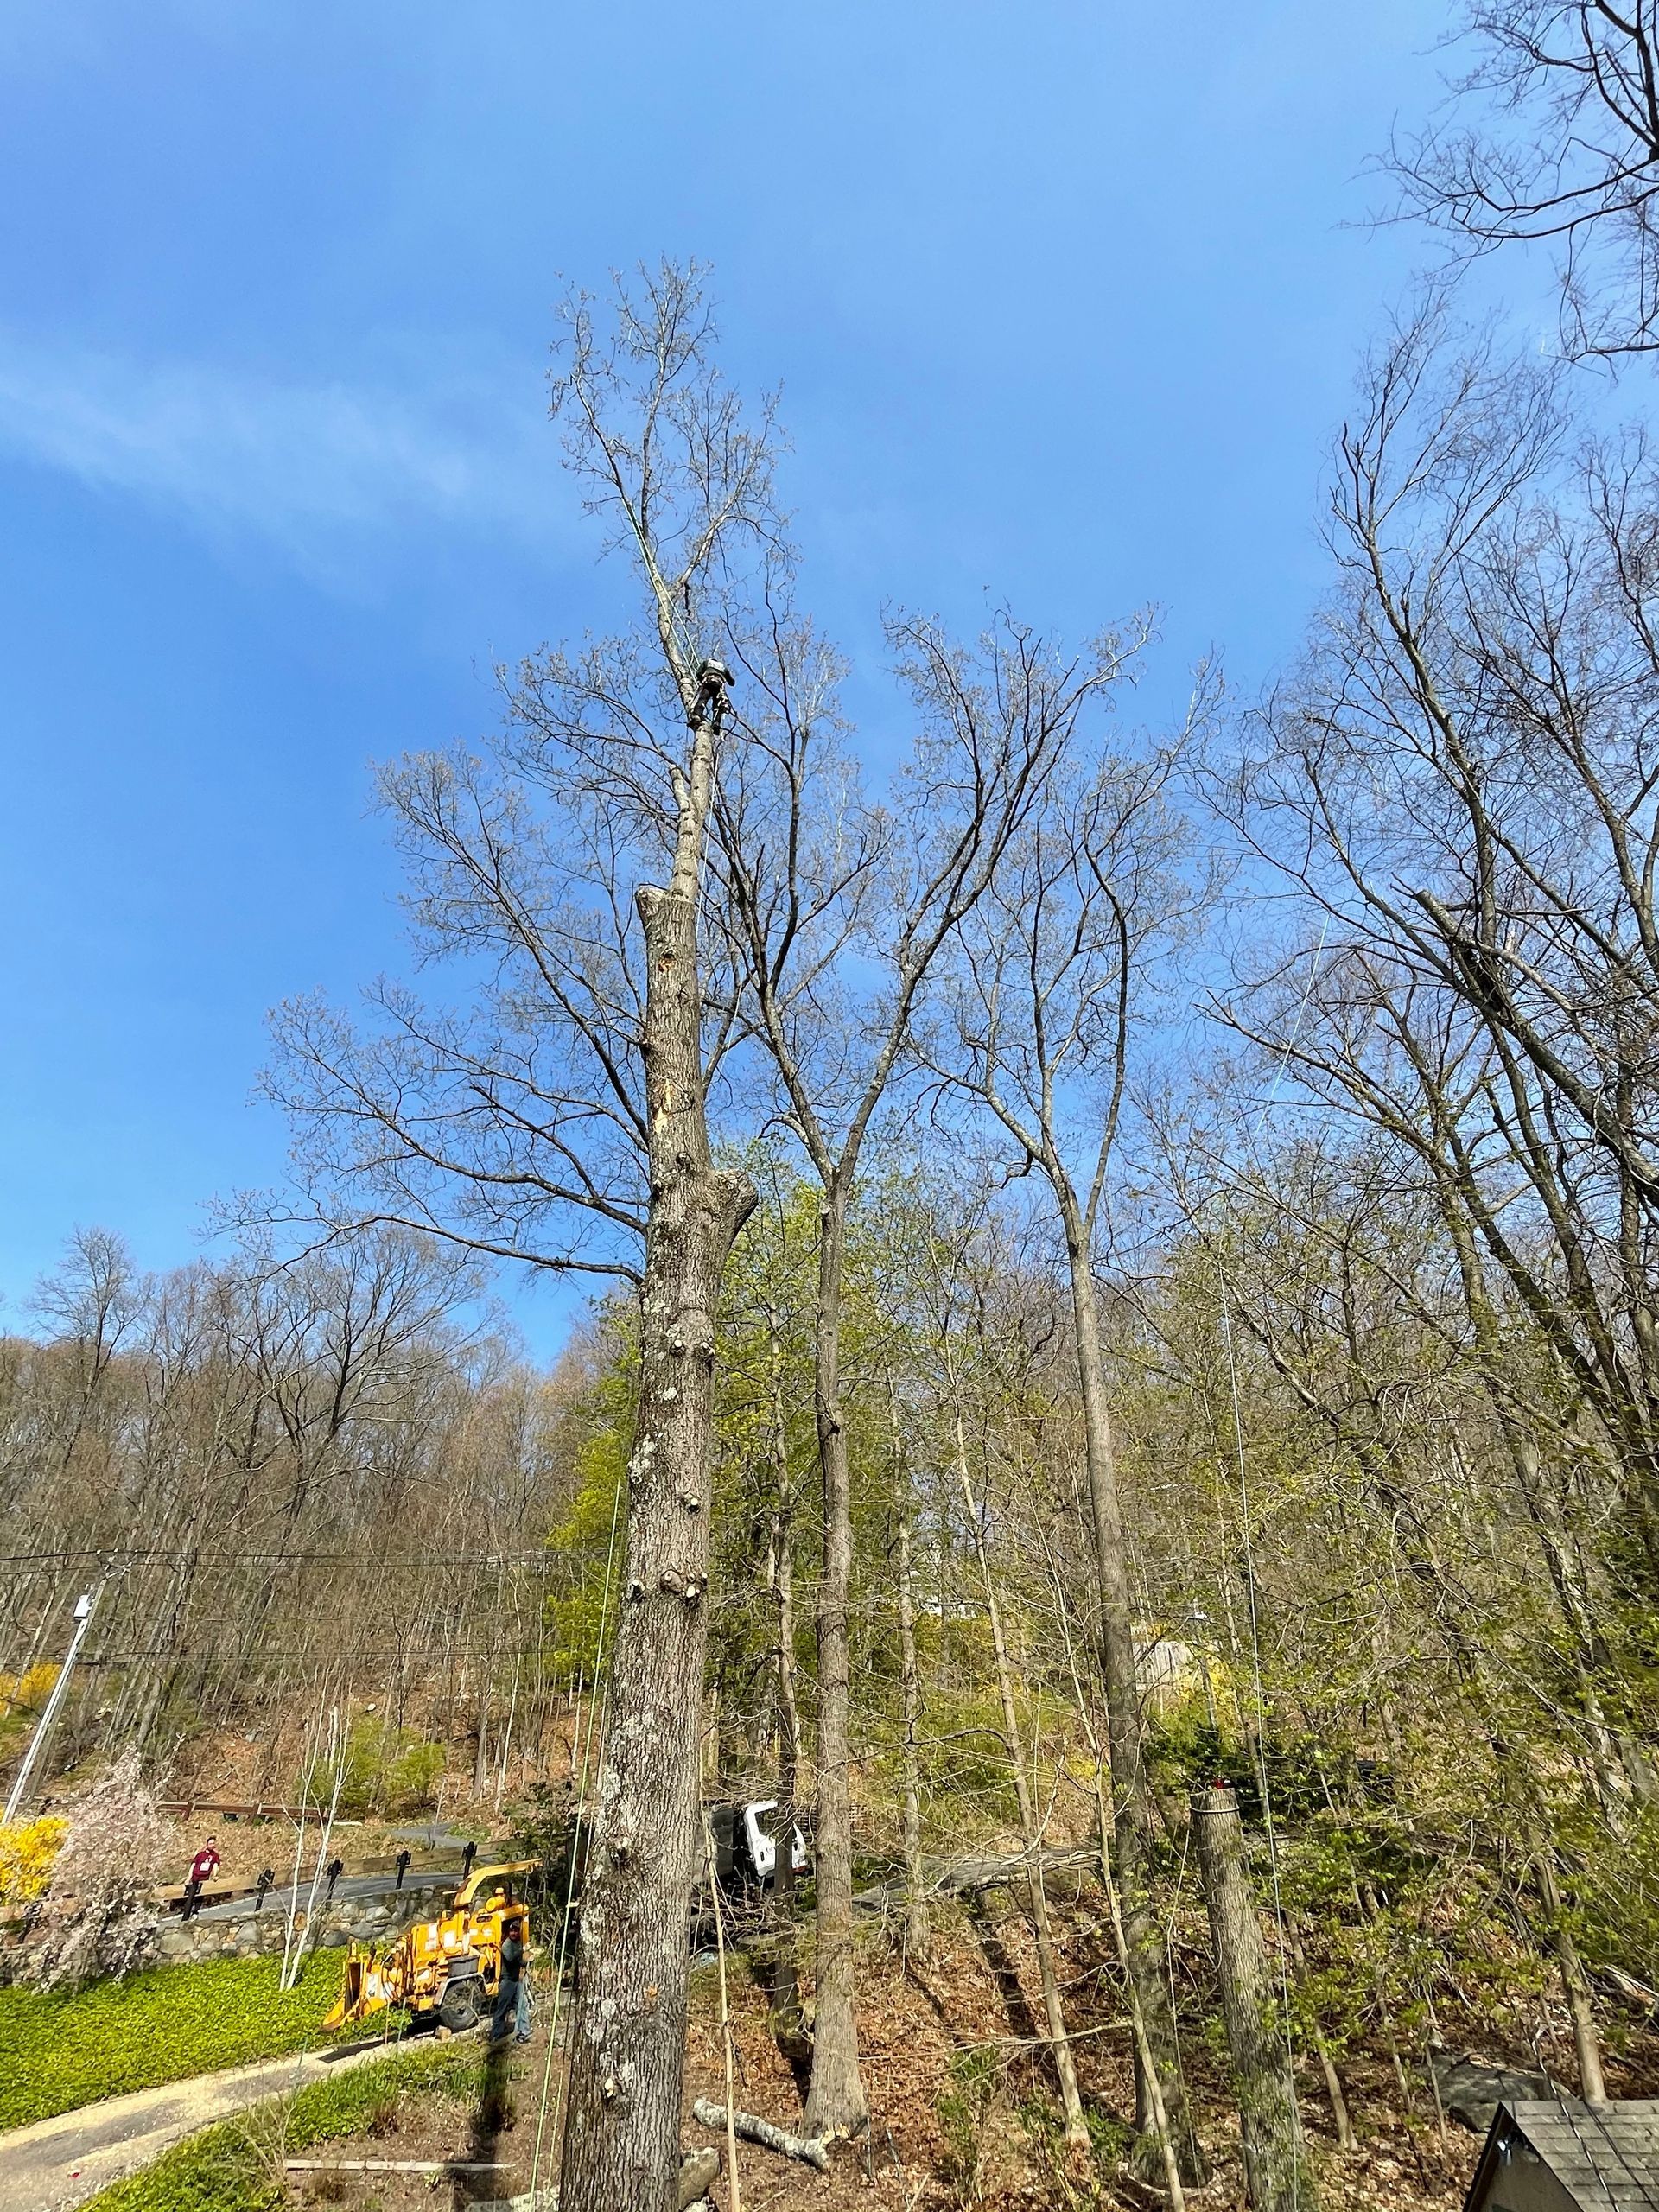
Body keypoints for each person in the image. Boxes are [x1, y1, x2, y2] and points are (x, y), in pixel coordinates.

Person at [489, 1916, 531, 2045]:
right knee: (502, 2009)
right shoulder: (506, 1945)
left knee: (522, 2005)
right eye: (512, 1931)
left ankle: (523, 2032)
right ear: (509, 1932)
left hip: (516, 1981)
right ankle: (496, 2036)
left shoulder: (517, 1943)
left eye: (517, 1931)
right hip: (507, 1982)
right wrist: (522, 1950)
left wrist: (527, 1961)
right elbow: (511, 1958)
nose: (515, 1933)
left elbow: (519, 1961)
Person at [182, 1834, 221, 1922]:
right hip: (195, 1878)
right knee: (190, 1898)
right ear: (207, 1844)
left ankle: (195, 1913)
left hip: (205, 1879)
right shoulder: (200, 1855)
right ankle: (185, 1918)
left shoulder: (215, 1856)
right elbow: (193, 1865)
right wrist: (189, 1877)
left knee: (200, 1898)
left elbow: (215, 1865)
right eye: (210, 1843)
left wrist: (215, 1875)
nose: (212, 1845)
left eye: (213, 1843)